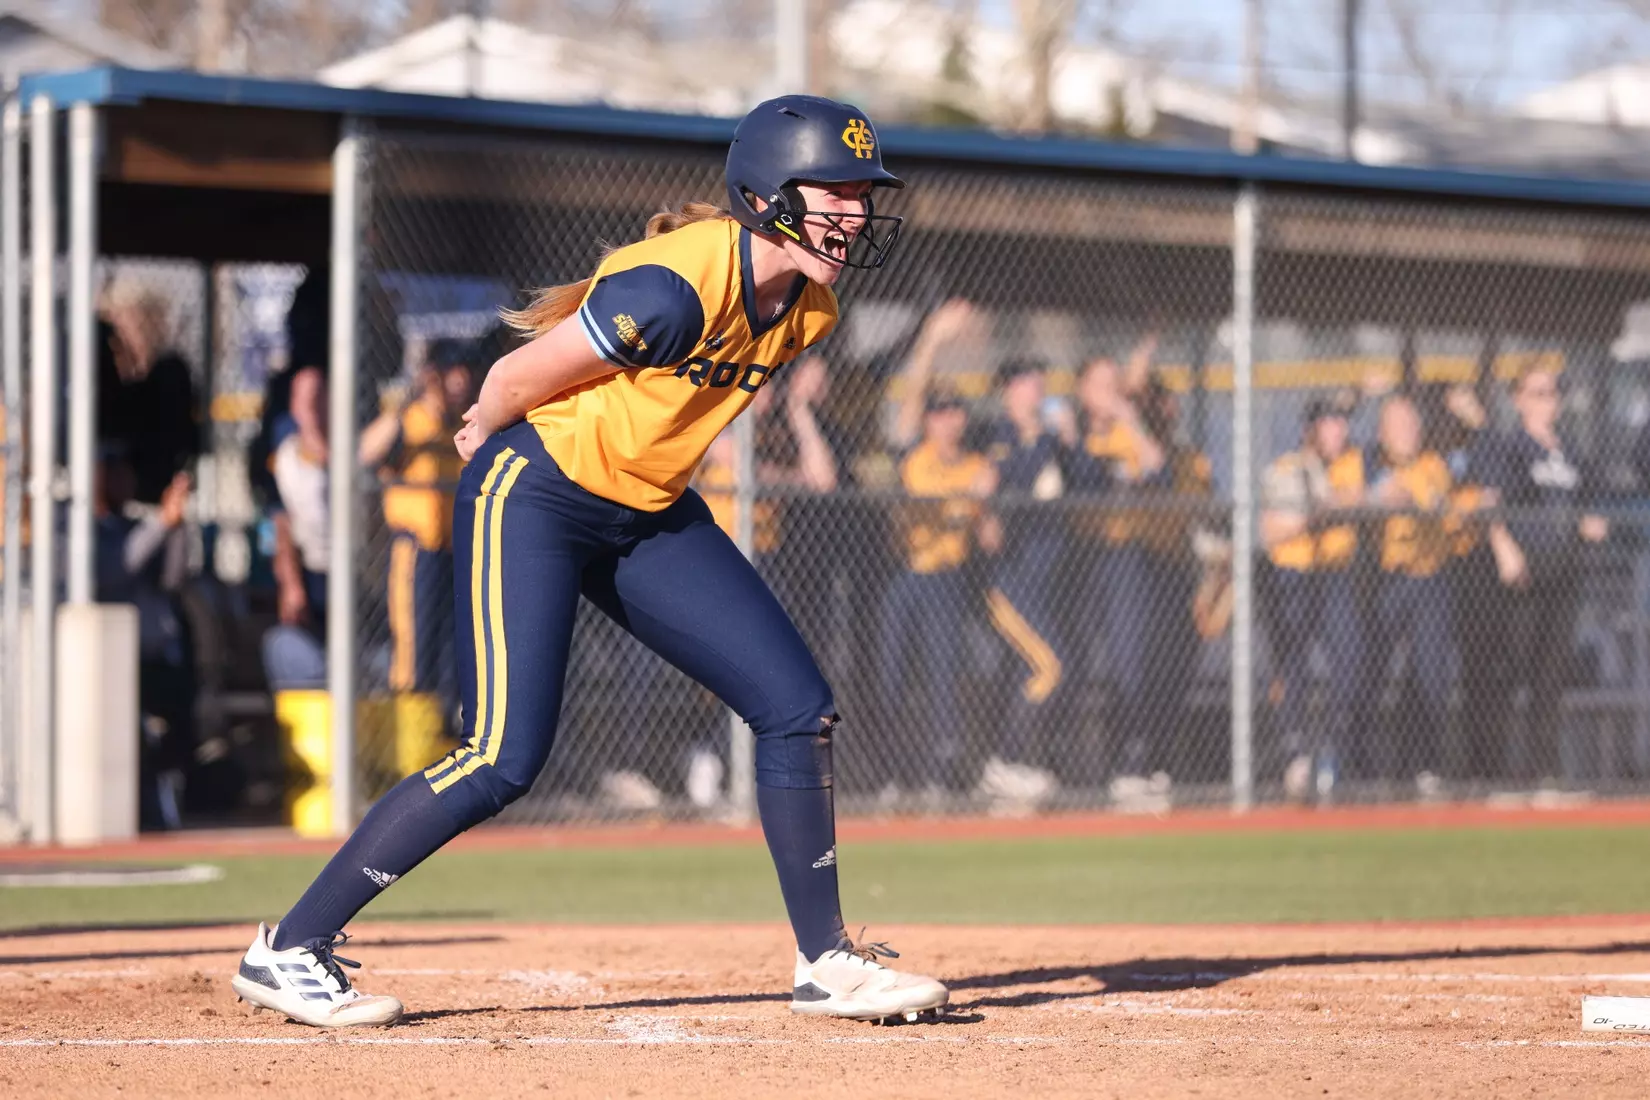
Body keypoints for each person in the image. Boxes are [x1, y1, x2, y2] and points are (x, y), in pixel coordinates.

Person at [232, 95, 949, 1028]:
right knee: (501, 757)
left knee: (795, 708)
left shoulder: (810, 308)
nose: (856, 211)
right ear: (768, 193)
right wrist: (481, 434)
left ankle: (827, 962)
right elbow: (512, 378)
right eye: (837, 191)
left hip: (644, 509)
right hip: (537, 492)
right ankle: (290, 947)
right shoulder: (678, 282)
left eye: (863, 194)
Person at [1481, 367, 1608, 783]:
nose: (1548, 401)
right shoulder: (1510, 446)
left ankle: (1545, 770)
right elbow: (1491, 501)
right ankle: (1496, 770)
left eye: (1553, 393)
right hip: (1524, 572)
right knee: (1512, 667)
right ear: (1518, 399)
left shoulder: (1570, 450)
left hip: (1564, 571)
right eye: (1537, 393)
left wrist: (1591, 522)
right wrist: (1504, 547)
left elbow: (1590, 500)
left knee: (1551, 674)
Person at [1258, 394, 1366, 802]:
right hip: (1292, 575)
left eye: (1341, 423)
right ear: (1310, 431)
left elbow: (1364, 496)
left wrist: (1334, 504)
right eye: (1329, 424)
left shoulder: (1351, 463)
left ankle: (1335, 753)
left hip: (1335, 575)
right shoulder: (1287, 468)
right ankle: (1296, 755)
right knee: (1292, 666)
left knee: (1351, 662)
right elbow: (1272, 531)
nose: (1340, 431)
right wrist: (1313, 516)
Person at [358, 340, 475, 710]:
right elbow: (365, 452)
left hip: (456, 552)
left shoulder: (464, 424)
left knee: (453, 653)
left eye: (465, 370)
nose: (462, 379)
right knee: (415, 648)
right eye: (452, 371)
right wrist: (405, 402)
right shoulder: (411, 418)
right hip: (417, 551)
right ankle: (410, 723)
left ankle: (445, 725)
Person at [978, 357, 1068, 807]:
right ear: (1009, 390)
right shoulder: (999, 436)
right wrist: (1039, 441)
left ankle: (1014, 764)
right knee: (1051, 667)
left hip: (1048, 584)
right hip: (1011, 584)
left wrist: (1066, 438)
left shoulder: (1052, 437)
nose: (1038, 392)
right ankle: (1005, 761)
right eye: (1029, 384)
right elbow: (1004, 488)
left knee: (1026, 671)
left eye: (1040, 384)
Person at [94, 448, 196, 830]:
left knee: (177, 733)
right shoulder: (83, 529)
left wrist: (177, 526)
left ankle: (167, 811)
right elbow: (116, 568)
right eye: (113, 471)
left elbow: (172, 579)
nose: (125, 480)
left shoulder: (133, 524)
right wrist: (160, 523)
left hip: (157, 656)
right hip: (113, 665)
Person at [1364, 394, 1454, 794]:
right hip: (1384, 580)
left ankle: (1423, 764)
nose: (1408, 433)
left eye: (1412, 424)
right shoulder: (1370, 465)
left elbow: (1435, 501)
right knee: (1371, 672)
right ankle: (1365, 767)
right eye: (1398, 426)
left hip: (1427, 578)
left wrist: (1412, 499)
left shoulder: (1431, 465)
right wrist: (1377, 498)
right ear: (1382, 433)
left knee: (1430, 674)